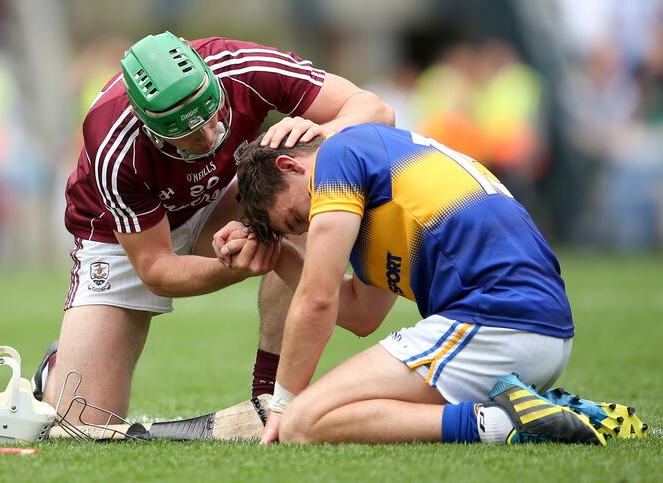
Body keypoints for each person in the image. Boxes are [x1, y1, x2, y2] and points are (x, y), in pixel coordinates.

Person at [33, 32, 395, 423]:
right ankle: (58, 366)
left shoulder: (243, 66)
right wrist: (233, 265)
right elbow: (156, 269)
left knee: (300, 205)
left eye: (212, 117)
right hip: (122, 237)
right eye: (188, 135)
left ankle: (267, 396)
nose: (208, 138)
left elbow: (374, 109)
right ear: (150, 128)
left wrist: (324, 132)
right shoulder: (113, 141)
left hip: (221, 196)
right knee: (84, 422)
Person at [231, 123, 645, 445]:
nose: (308, 229)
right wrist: (281, 255)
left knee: (303, 421)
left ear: (290, 166)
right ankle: (536, 412)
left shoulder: (339, 156)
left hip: (494, 321)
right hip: (535, 334)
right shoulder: (375, 174)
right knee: (325, 414)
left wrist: (281, 405)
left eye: (296, 219)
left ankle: (504, 423)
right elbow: (361, 313)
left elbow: (317, 300)